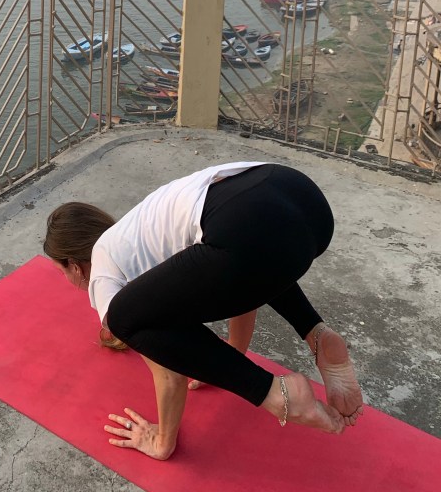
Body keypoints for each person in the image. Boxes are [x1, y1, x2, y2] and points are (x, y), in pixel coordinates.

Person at [43, 161, 363, 460]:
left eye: (62, 272)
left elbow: (170, 375)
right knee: (251, 254)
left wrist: (162, 442)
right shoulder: (138, 232)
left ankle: (278, 394)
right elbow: (241, 291)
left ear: (73, 265)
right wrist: (231, 353)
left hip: (248, 230)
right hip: (297, 197)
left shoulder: (102, 275)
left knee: (121, 319)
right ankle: (317, 334)